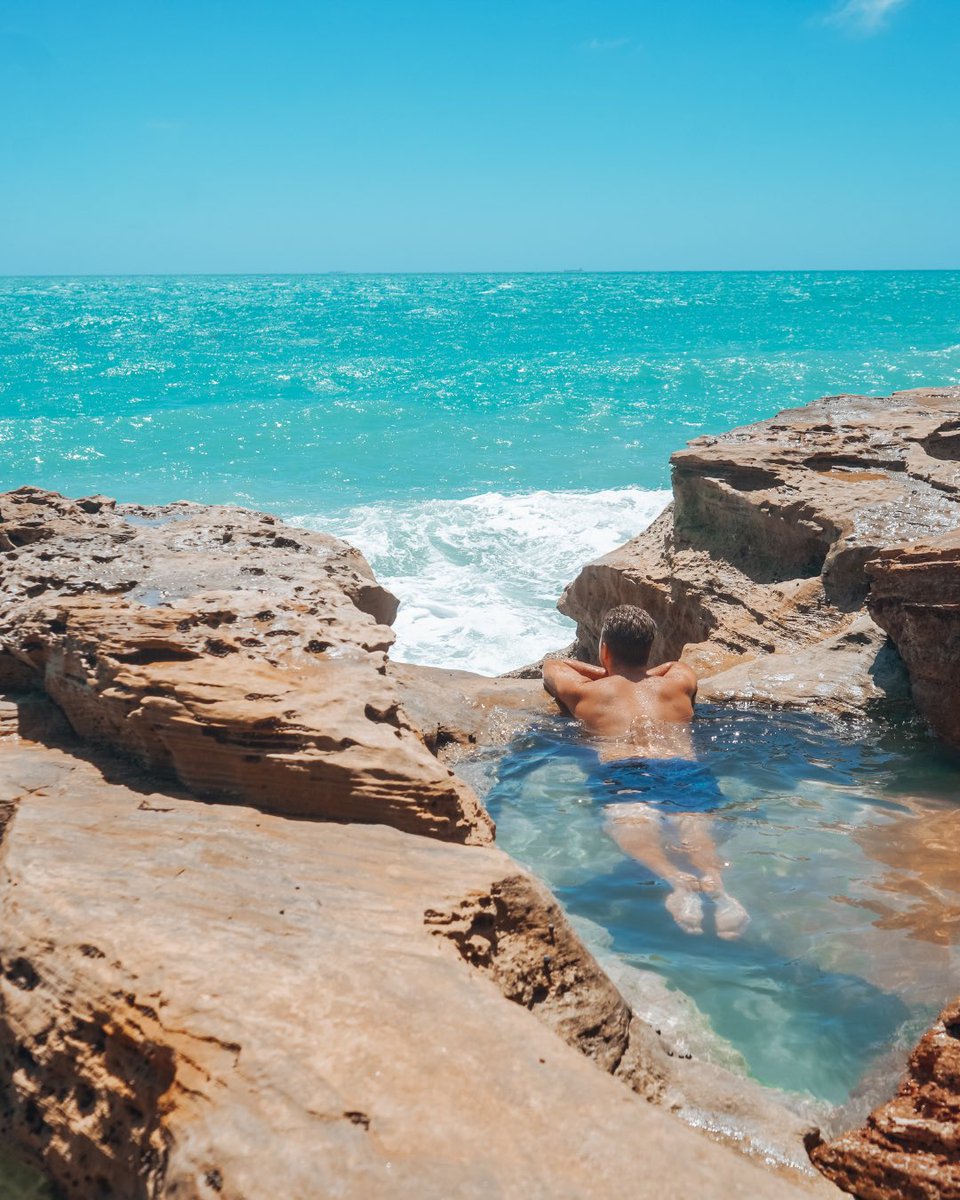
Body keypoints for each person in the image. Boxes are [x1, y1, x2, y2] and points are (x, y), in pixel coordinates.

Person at [542, 604, 749, 939]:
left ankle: (675, 881)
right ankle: (716, 884)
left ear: (605, 649)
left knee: (632, 816)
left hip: (626, 769)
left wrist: (608, 674)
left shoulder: (586, 692)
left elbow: (553, 666)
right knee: (694, 823)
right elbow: (675, 666)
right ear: (649, 649)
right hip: (684, 769)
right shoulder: (677, 684)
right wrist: (643, 674)